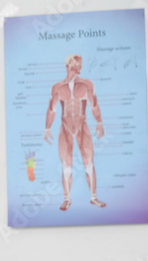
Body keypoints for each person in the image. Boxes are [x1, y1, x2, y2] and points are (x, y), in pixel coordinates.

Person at [45, 53, 106, 210]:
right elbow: (52, 110)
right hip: (65, 127)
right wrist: (47, 128)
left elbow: (94, 105)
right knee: (66, 165)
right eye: (75, 63)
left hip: (82, 125)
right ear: (67, 65)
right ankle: (67, 199)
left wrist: (99, 122)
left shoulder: (86, 85)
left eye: (80, 63)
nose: (79, 66)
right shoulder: (57, 88)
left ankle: (93, 198)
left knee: (89, 162)